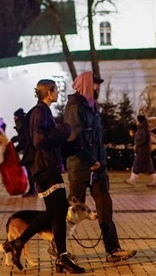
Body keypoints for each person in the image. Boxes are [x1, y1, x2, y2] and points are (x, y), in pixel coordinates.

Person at [2, 79, 84, 273]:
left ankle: (58, 256)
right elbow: (40, 141)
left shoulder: (42, 111)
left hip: (45, 166)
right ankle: (24, 244)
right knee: (57, 211)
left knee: (55, 213)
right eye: (55, 90)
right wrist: (63, 131)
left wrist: (67, 141)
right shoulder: (40, 112)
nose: (57, 93)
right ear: (48, 92)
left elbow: (49, 140)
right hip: (45, 168)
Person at [64, 71, 136, 264]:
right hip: (80, 168)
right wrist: (90, 161)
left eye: (98, 84)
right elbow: (73, 140)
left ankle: (113, 250)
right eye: (95, 84)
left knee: (105, 207)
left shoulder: (92, 106)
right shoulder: (74, 106)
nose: (97, 88)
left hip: (98, 169)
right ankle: (58, 248)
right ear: (86, 84)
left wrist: (101, 163)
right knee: (72, 211)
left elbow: (96, 139)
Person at [126, 114, 156, 186]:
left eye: (137, 120)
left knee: (137, 163)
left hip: (143, 150)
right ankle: (154, 179)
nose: (136, 121)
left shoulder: (144, 129)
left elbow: (144, 139)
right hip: (142, 150)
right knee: (147, 165)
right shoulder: (141, 128)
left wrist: (137, 145)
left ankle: (133, 179)